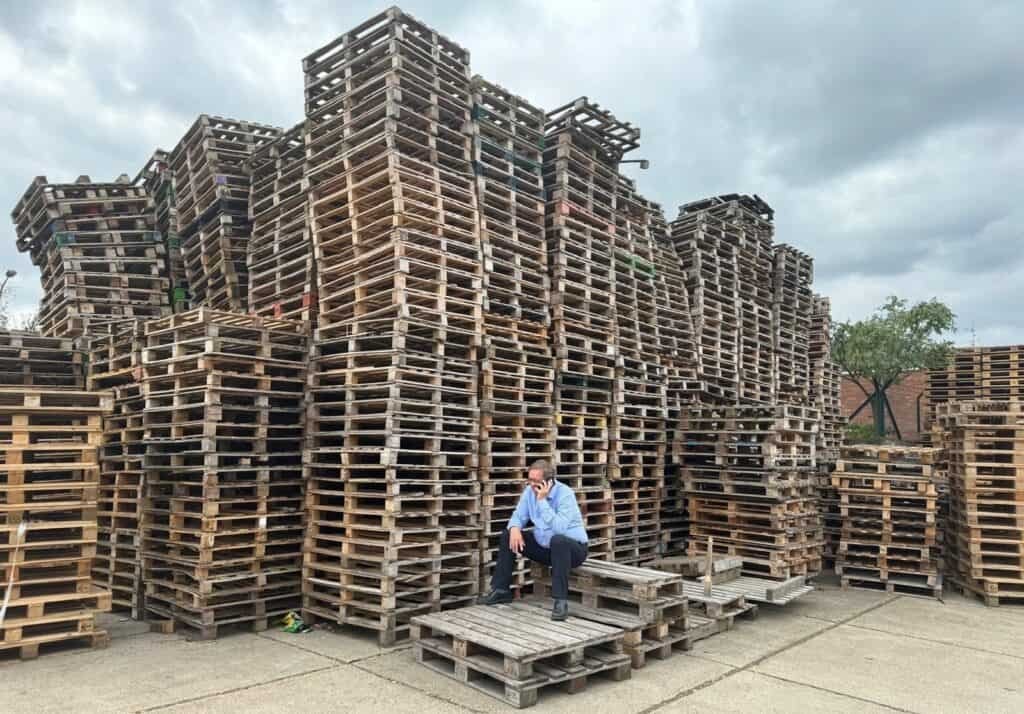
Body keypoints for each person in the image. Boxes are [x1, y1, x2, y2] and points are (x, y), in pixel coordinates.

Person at [480, 459, 588, 620]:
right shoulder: (529, 492)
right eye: (529, 480)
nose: (531, 484)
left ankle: (560, 601)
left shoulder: (565, 494)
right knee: (508, 534)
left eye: (536, 481)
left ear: (549, 481)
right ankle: (501, 590)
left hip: (572, 550)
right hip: (545, 548)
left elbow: (559, 528)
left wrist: (542, 501)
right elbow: (518, 515)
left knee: (558, 540)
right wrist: (515, 528)